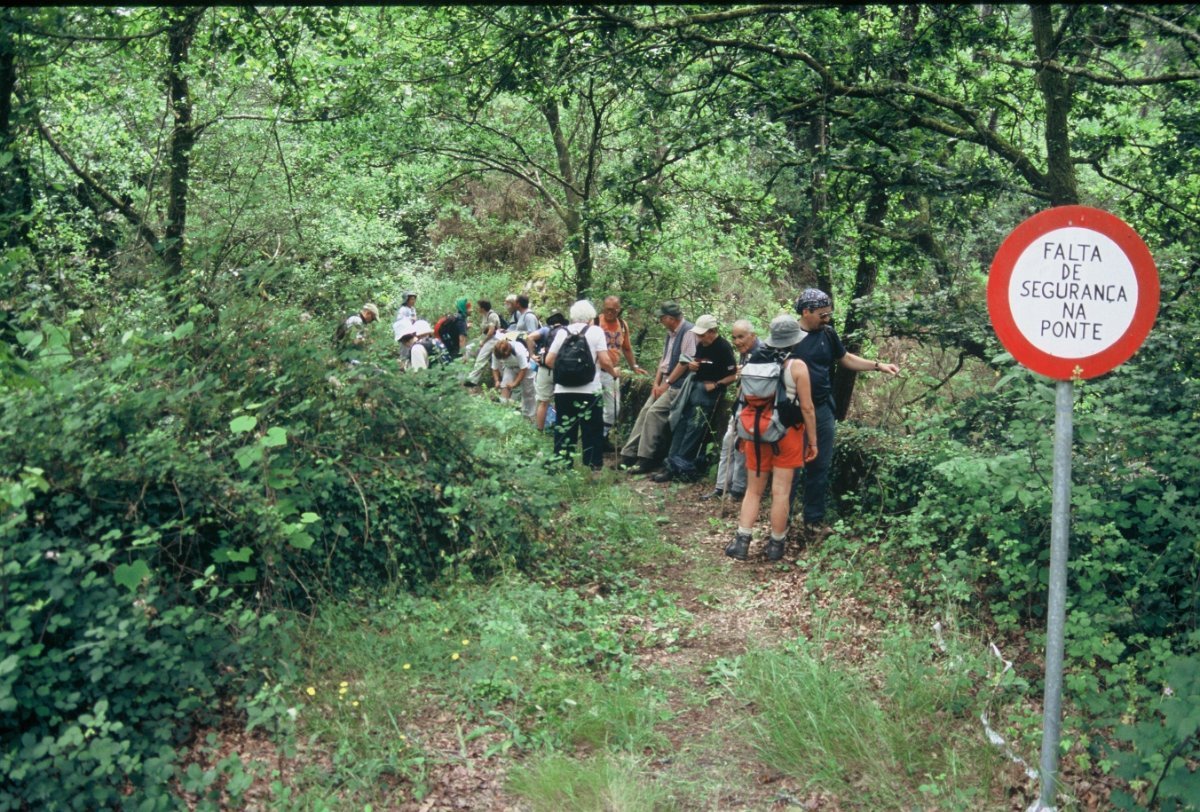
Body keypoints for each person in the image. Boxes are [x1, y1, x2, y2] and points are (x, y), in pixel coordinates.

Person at [789, 288, 900, 540]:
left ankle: (813, 523)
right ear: (806, 312)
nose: (827, 319)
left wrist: (878, 365)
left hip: (822, 408)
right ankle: (781, 524)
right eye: (822, 315)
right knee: (791, 467)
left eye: (829, 314)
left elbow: (845, 358)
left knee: (820, 465)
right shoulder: (789, 336)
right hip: (793, 412)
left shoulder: (828, 334)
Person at [726, 315, 819, 562]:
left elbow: (742, 401)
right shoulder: (797, 366)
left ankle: (741, 543)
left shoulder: (753, 362)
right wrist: (812, 442)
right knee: (781, 492)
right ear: (795, 340)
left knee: (753, 491)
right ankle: (776, 546)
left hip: (756, 433)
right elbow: (807, 408)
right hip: (787, 435)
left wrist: (740, 434)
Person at [654, 315, 737, 483]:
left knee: (694, 430)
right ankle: (670, 465)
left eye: (702, 334)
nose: (699, 338)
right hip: (693, 390)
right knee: (680, 425)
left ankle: (681, 467)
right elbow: (697, 363)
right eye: (698, 334)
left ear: (712, 332)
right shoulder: (701, 345)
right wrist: (692, 366)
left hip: (708, 395)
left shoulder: (723, 347)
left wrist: (717, 385)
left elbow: (734, 375)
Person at [618, 302, 696, 474]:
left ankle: (646, 458)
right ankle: (628, 454)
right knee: (645, 411)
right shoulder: (670, 333)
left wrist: (666, 384)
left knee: (654, 413)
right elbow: (664, 359)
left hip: (678, 384)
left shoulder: (688, 332)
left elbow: (684, 362)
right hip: (664, 381)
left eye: (662, 317)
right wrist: (656, 382)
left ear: (671, 318)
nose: (660, 320)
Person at [545, 299, 616, 471]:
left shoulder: (562, 332)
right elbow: (605, 361)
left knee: (564, 429)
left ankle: (562, 466)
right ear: (591, 317)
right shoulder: (596, 331)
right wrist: (614, 373)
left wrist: (567, 372)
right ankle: (593, 467)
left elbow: (549, 360)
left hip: (563, 390)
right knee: (592, 430)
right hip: (590, 390)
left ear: (572, 316)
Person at [703, 319, 762, 501]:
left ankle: (737, 489)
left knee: (740, 448)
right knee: (728, 443)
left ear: (753, 336)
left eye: (741, 337)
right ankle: (721, 487)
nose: (737, 341)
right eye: (734, 337)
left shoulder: (762, 353)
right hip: (740, 405)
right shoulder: (745, 352)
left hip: (753, 409)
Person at [595, 296, 647, 450]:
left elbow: (627, 348)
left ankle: (601, 437)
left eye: (613, 310)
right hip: (594, 371)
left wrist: (634, 366)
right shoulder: (595, 322)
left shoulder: (622, 325)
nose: (610, 312)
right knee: (592, 407)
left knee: (613, 409)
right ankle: (593, 442)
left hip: (612, 373)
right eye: (607, 309)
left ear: (619, 309)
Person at [526, 311, 568, 431]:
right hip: (561, 371)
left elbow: (529, 337)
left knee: (543, 402)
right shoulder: (566, 331)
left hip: (544, 370)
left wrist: (532, 355)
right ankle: (560, 429)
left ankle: (539, 430)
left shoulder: (545, 330)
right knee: (561, 401)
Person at [491, 336, 536, 420]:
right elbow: (494, 368)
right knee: (505, 386)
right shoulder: (495, 353)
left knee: (527, 392)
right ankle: (503, 412)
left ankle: (529, 416)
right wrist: (497, 381)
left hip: (526, 367)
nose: (502, 359)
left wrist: (515, 383)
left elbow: (523, 369)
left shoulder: (518, 349)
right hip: (509, 367)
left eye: (504, 357)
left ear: (507, 351)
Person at [464, 299, 503, 386]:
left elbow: (491, 331)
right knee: (469, 348)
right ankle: (467, 371)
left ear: (483, 308)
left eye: (479, 307)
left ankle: (472, 380)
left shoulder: (492, 315)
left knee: (481, 358)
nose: (477, 308)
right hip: (484, 337)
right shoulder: (484, 315)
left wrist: (483, 341)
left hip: (493, 339)